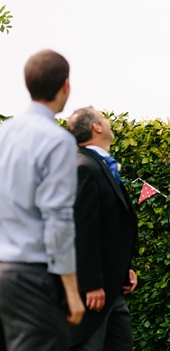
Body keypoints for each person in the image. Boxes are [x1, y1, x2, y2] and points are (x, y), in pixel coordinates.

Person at [0, 50, 85, 351]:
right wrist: (72, 291)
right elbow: (58, 219)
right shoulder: (57, 140)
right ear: (65, 85)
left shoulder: (3, 133)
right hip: (34, 276)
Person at [66, 107, 138, 351]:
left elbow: (110, 227)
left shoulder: (102, 165)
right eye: (104, 119)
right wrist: (91, 283)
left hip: (113, 284)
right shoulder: (84, 167)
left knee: (121, 345)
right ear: (97, 127)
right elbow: (84, 230)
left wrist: (124, 267)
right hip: (96, 291)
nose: (108, 122)